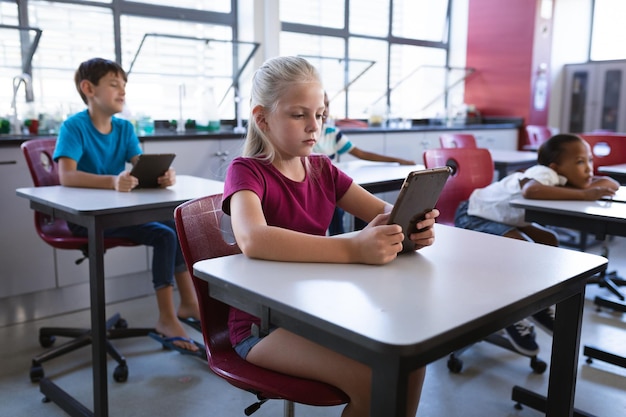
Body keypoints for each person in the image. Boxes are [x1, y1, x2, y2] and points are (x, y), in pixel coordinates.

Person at [222, 56, 439, 417]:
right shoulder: (246, 171)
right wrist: (352, 248)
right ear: (262, 118)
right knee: (376, 379)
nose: (314, 126)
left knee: (411, 360)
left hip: (319, 312)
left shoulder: (322, 169)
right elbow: (253, 239)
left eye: (320, 114)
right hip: (262, 325)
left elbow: (383, 212)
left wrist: (413, 223)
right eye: (298, 115)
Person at [52, 57, 201, 355]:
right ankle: (167, 318)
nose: (122, 91)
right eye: (114, 85)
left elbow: (138, 167)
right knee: (165, 235)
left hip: (118, 214)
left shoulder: (124, 128)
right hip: (87, 219)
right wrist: (111, 181)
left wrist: (161, 176)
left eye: (124, 86)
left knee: (176, 224)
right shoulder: (74, 127)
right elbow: (65, 175)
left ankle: (188, 303)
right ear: (88, 88)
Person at [455, 133, 619, 356]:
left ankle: (538, 303)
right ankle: (511, 314)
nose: (589, 168)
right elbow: (530, 191)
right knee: (519, 246)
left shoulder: (562, 178)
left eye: (590, 160)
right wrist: (584, 194)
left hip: (502, 217)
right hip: (474, 215)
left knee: (548, 239)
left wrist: (589, 186)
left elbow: (612, 184)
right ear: (555, 167)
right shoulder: (543, 173)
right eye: (580, 162)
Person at [315, 91, 416, 235]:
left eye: (327, 105)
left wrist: (398, 160)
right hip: (320, 189)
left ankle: (359, 235)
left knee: (357, 204)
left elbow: (361, 154)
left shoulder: (331, 133)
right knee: (335, 205)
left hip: (331, 186)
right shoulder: (306, 139)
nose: (324, 110)